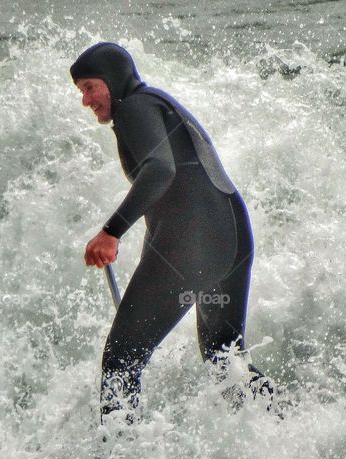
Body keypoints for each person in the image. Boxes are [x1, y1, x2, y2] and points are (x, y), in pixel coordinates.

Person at [70, 42, 270, 420]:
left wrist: (112, 231)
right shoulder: (158, 104)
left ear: (113, 81)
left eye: (90, 87)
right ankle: (280, 426)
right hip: (230, 237)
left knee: (120, 359)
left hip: (194, 243)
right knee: (225, 359)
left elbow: (161, 171)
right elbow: (185, 194)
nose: (86, 100)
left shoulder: (136, 107)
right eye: (81, 91)